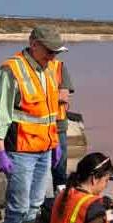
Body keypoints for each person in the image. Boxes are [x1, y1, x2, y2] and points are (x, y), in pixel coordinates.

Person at [0, 26, 68, 223]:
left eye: (55, 52)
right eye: (49, 51)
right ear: (33, 44)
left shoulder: (48, 69)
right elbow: (0, 115)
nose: (52, 56)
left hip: (44, 149)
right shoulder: (11, 70)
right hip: (21, 151)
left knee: (35, 204)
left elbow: (51, 112)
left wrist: (55, 141)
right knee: (17, 208)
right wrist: (0, 150)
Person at [48, 59, 75, 191]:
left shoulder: (59, 66)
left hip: (58, 126)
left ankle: (59, 196)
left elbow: (63, 96)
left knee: (59, 168)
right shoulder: (27, 68)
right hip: (36, 127)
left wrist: (39, 98)